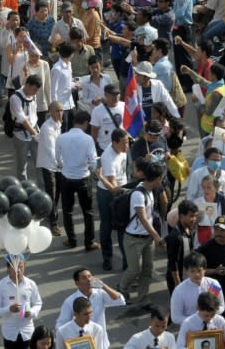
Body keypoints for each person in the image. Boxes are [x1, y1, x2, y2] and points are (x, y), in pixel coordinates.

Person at [119, 160, 166, 305]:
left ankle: (142, 297)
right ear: (157, 179)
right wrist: (157, 237)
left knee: (147, 269)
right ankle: (122, 290)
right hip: (133, 239)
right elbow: (143, 218)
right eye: (161, 178)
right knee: (134, 269)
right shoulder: (138, 194)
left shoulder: (150, 191)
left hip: (147, 239)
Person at [55, 111, 98, 251]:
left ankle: (72, 240)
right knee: (88, 212)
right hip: (83, 178)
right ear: (85, 123)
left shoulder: (61, 137)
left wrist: (66, 166)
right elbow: (93, 162)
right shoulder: (88, 139)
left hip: (66, 178)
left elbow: (57, 159)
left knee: (67, 211)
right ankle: (89, 242)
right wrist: (91, 170)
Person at [55, 268, 125, 346]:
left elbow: (119, 300)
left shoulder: (100, 293)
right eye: (84, 278)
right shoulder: (70, 301)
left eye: (89, 276)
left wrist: (103, 286)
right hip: (81, 342)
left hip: (100, 340)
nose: (88, 279)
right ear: (77, 283)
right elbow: (61, 324)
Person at [0, 254, 42, 349]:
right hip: (10, 333)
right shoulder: (0, 286)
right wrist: (9, 309)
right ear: (8, 268)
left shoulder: (31, 284)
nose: (18, 270)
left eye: (20, 267)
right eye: (14, 267)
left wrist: (31, 312)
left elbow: (38, 303)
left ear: (24, 266)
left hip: (27, 332)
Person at [97, 129, 130, 271]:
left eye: (127, 143)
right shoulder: (108, 158)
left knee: (123, 228)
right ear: (114, 143)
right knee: (107, 226)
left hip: (122, 190)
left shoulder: (122, 151)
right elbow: (112, 187)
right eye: (123, 143)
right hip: (108, 194)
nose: (126, 147)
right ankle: (107, 257)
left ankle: (126, 263)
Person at [199, 216, 225, 317]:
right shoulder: (206, 248)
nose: (218, 233)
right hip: (215, 291)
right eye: (216, 229)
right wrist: (214, 271)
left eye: (222, 230)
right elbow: (197, 271)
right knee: (217, 320)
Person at [170, 252, 225, 324]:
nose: (196, 274)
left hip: (212, 326)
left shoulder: (213, 284)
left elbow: (221, 306)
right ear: (187, 271)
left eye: (199, 270)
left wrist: (210, 315)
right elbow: (175, 317)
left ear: (205, 269)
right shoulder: (179, 291)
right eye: (192, 271)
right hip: (191, 329)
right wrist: (196, 320)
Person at [36, 101, 64, 236]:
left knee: (57, 192)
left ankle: (49, 213)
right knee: (51, 192)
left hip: (57, 164)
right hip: (48, 164)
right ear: (50, 112)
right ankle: (53, 222)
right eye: (57, 111)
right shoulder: (47, 128)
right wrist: (60, 162)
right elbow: (50, 148)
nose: (60, 113)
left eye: (61, 110)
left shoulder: (59, 124)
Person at [10, 75, 42, 182]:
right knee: (22, 166)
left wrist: (37, 132)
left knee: (40, 163)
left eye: (37, 90)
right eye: (34, 89)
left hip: (34, 132)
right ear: (27, 85)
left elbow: (34, 115)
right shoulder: (15, 98)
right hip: (21, 136)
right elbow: (22, 119)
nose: (35, 93)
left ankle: (43, 188)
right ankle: (23, 189)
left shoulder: (33, 95)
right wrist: (35, 134)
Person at [165, 200, 198, 294]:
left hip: (187, 276)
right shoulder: (176, 237)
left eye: (195, 216)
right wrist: (178, 285)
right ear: (181, 216)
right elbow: (173, 263)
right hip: (178, 280)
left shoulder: (190, 230)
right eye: (191, 216)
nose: (194, 219)